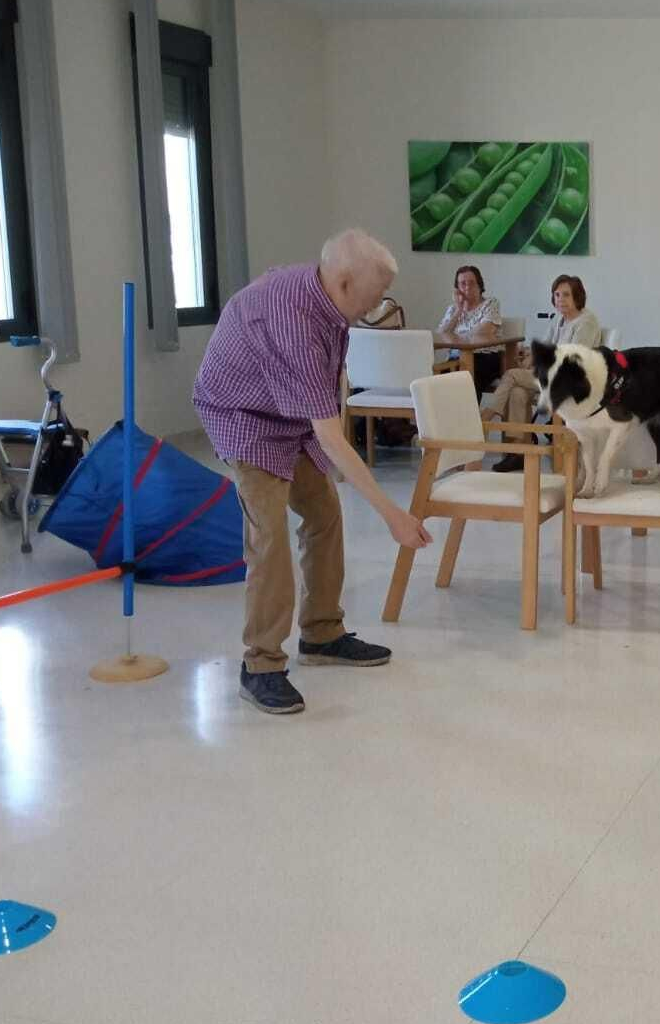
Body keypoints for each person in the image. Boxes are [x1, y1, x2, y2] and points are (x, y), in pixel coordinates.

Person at [193, 229, 432, 716]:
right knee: (270, 537)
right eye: (372, 294)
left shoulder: (331, 302)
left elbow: (329, 399)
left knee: (324, 513)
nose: (379, 303)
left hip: (289, 414)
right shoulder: (296, 320)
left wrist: (341, 468)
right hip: (242, 415)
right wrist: (392, 514)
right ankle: (260, 665)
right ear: (344, 282)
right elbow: (330, 434)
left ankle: (322, 634)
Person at [481, 274, 602, 473]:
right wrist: (527, 352)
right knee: (517, 393)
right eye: (556, 295)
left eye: (566, 295)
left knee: (511, 375)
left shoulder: (586, 321)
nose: (560, 299)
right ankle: (520, 452)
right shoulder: (559, 318)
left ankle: (487, 417)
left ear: (578, 297)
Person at [436, 264, 502, 398]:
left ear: (479, 285)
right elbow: (441, 334)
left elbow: (484, 331)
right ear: (457, 289)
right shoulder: (453, 309)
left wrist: (455, 337)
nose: (467, 287)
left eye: (471, 283)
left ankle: (468, 418)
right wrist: (459, 310)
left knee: (468, 382)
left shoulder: (490, 303)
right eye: (462, 284)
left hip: (485, 357)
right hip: (456, 359)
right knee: (438, 382)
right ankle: (448, 418)